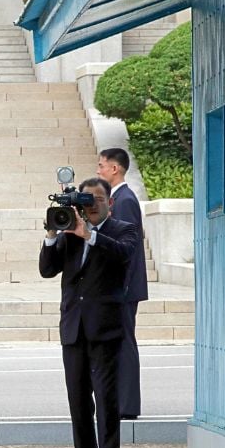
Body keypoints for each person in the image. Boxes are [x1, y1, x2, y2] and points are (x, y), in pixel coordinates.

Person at [40, 178, 139, 448]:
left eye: (97, 199)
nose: (91, 204)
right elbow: (47, 269)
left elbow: (124, 255)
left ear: (109, 202)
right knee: (78, 399)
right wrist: (52, 234)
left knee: (107, 400)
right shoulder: (70, 232)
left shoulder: (123, 229)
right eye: (86, 199)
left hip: (104, 328)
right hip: (73, 327)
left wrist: (91, 236)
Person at [97, 148, 147, 420]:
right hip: (121, 286)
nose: (98, 170)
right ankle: (119, 402)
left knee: (125, 343)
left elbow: (126, 248)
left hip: (124, 287)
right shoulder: (117, 198)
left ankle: (126, 405)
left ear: (115, 169)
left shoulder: (125, 200)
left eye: (102, 165)